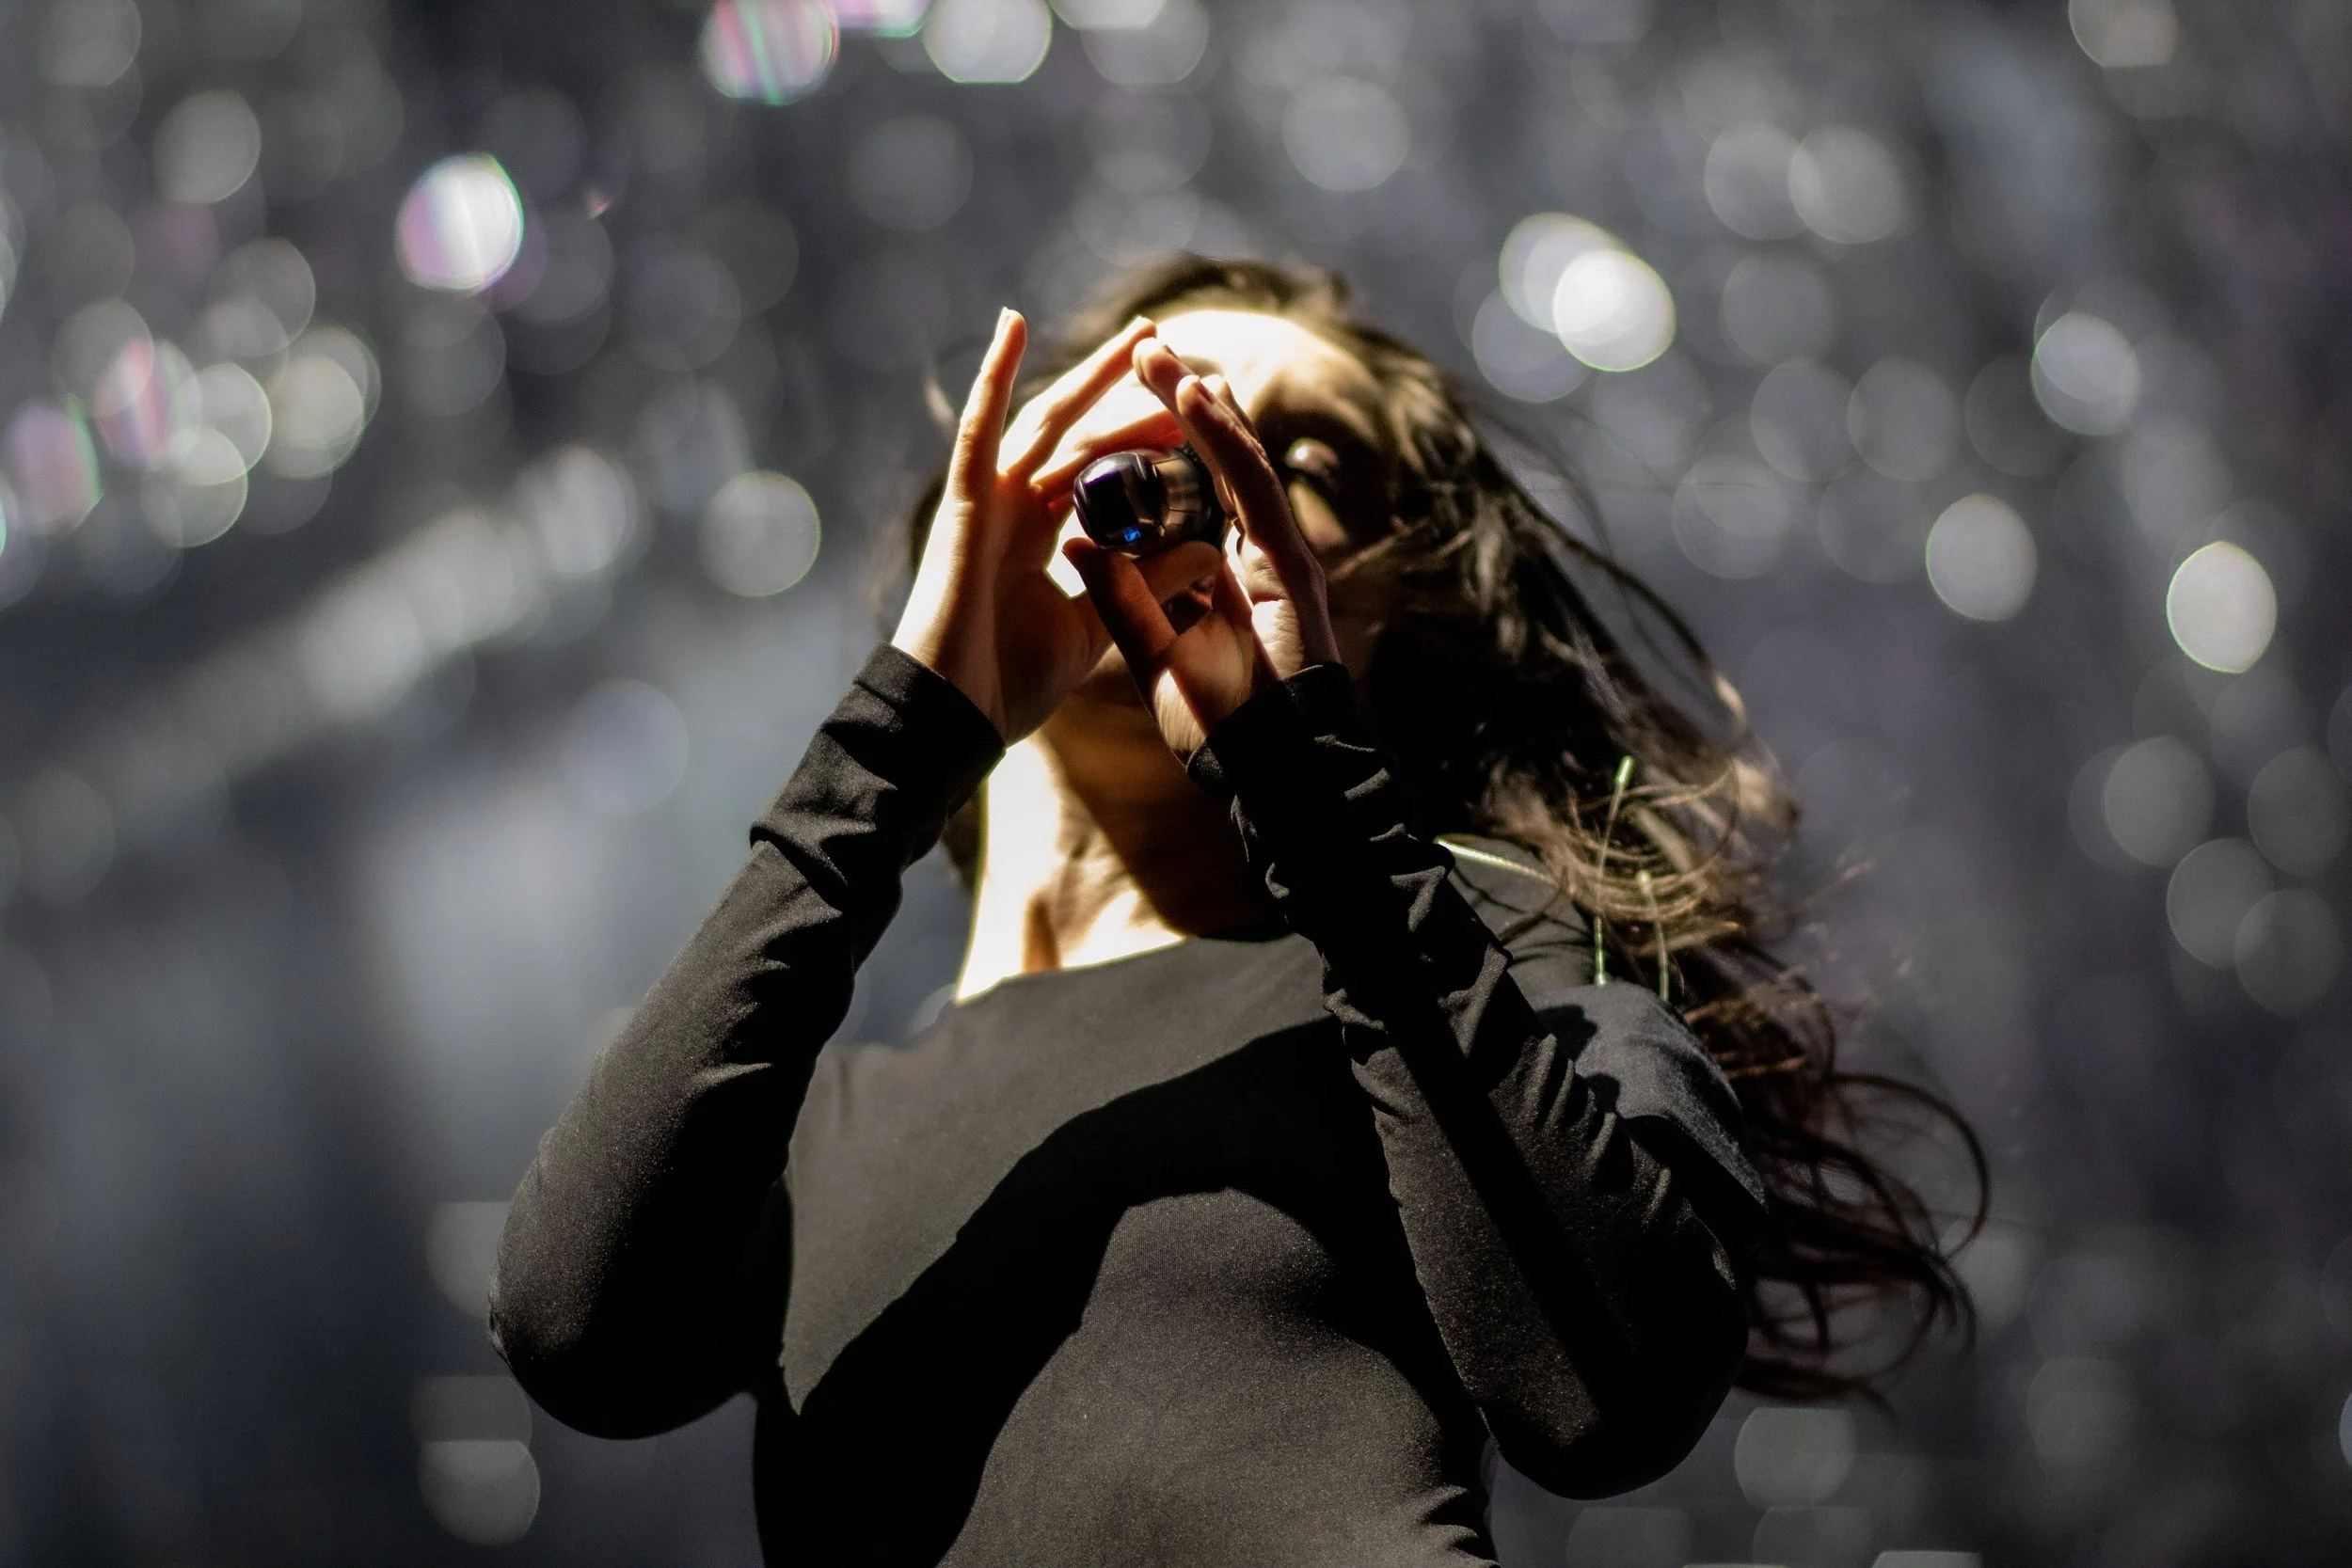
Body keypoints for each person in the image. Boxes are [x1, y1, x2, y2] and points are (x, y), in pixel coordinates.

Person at [491, 258, 1980, 1566]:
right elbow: (575, 1326)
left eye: (1302, 454)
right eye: (1144, 408)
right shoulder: (810, 1129)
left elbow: (1603, 1394)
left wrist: (1304, 781)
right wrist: (902, 729)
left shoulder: (1480, 1008)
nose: (1199, 464)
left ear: (1392, 616)